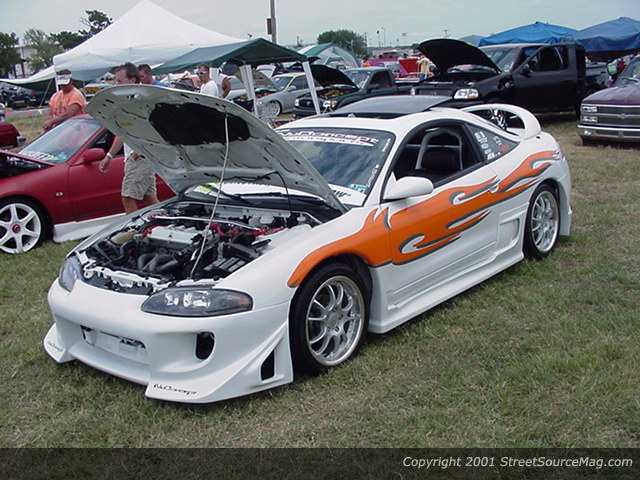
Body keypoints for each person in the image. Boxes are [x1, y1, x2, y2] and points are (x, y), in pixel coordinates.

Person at [99, 62, 158, 214]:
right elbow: (122, 133)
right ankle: (163, 222)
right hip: (133, 158)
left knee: (128, 198)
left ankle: (133, 225)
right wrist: (109, 156)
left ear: (132, 80)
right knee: (150, 199)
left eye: (119, 81)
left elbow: (153, 128)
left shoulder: (141, 100)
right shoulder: (127, 101)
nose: (116, 85)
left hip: (140, 157)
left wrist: (139, 150)